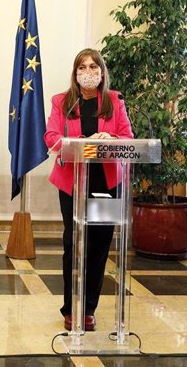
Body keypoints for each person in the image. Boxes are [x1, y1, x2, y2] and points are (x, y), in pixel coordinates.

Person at [44, 48, 133, 332]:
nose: (89, 72)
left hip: (107, 182)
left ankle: (89, 310)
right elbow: (51, 136)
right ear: (75, 72)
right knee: (74, 243)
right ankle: (71, 309)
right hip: (73, 183)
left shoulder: (114, 101)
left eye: (94, 67)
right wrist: (81, 141)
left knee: (99, 245)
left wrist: (110, 137)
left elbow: (128, 138)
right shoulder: (63, 102)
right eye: (83, 67)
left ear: (102, 72)